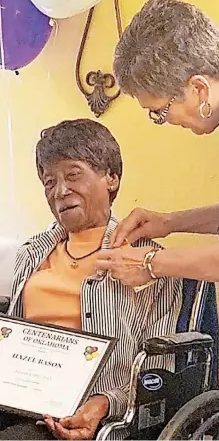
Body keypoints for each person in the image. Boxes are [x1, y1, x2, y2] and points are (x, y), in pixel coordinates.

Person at [1, 119, 182, 440]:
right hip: (18, 399)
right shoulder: (32, 254)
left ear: (111, 178)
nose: (60, 191)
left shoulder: (148, 260)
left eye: (73, 175)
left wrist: (102, 403)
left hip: (86, 411)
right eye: (48, 182)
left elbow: (157, 370)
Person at [96, 0, 219, 286]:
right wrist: (169, 223)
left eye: (160, 111)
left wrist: (151, 263)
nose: (164, 121)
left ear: (199, 89)